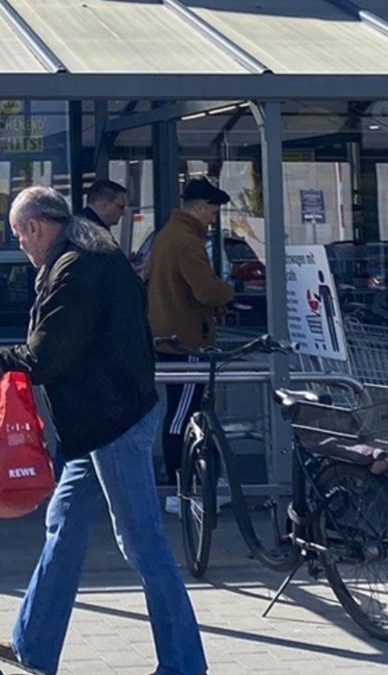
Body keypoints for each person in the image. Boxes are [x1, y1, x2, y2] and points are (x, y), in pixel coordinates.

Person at [0, 187, 207, 675]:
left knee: (142, 542)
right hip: (98, 423)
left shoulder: (75, 270)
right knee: (64, 528)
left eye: (18, 236)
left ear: (34, 227)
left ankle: (183, 664)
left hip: (113, 422)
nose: (21, 247)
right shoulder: (89, 254)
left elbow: (49, 354)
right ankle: (33, 646)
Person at [146, 178, 235, 511]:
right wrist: (228, 292)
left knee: (189, 411)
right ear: (199, 207)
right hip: (187, 342)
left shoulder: (167, 236)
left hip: (169, 338)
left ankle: (199, 478)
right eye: (213, 210)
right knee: (185, 414)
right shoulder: (187, 242)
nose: (214, 216)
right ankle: (178, 484)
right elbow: (207, 290)